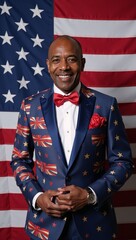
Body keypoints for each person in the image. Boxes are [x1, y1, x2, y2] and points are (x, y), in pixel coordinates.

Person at [11, 35, 134, 240]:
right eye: (57, 60)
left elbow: (123, 162)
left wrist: (89, 195)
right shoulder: (29, 107)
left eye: (72, 59)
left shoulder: (105, 105)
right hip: (44, 225)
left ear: (82, 63)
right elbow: (19, 160)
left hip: (95, 224)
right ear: (48, 65)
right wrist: (37, 197)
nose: (64, 67)